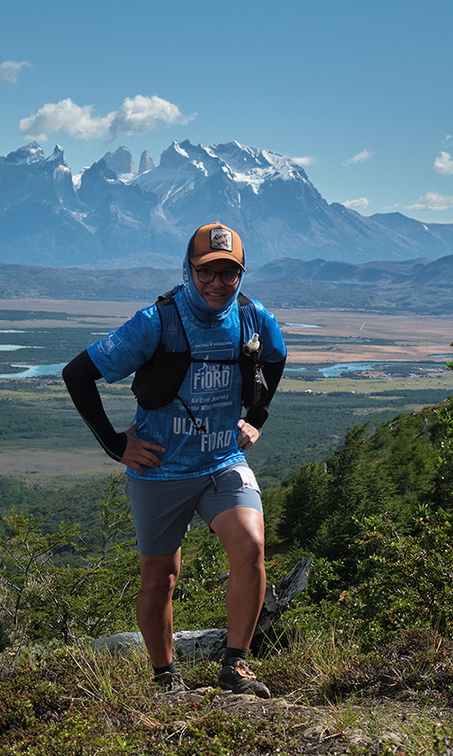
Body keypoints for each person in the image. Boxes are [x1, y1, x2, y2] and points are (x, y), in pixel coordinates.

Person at [62, 223, 287, 697]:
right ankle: (165, 676)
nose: (217, 283)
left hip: (222, 460)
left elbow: (276, 357)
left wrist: (257, 415)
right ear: (189, 270)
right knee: (160, 577)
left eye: (229, 273)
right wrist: (115, 444)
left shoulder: (252, 319)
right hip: (159, 468)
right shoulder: (156, 322)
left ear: (241, 275)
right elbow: (77, 373)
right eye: (207, 272)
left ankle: (236, 664)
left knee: (250, 546)